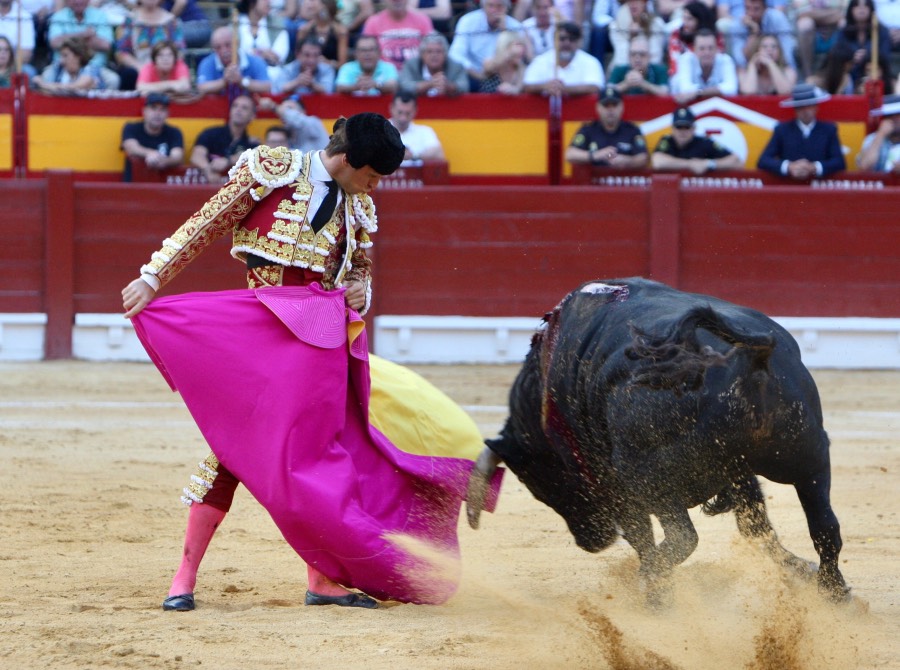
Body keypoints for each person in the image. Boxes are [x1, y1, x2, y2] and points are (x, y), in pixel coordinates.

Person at [121, 112, 499, 611]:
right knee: (230, 454)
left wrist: (362, 292)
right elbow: (206, 223)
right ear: (347, 159)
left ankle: (321, 582)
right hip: (260, 334)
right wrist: (153, 277)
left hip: (318, 345)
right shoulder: (273, 168)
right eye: (371, 175)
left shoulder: (359, 208)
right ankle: (183, 577)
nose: (373, 187)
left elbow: (359, 274)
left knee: (323, 454)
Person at [757, 83, 846, 179]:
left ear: (816, 107)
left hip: (819, 187)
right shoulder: (782, 130)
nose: (805, 111)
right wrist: (789, 167)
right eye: (800, 107)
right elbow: (763, 160)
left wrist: (814, 167)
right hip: (789, 186)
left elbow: (839, 162)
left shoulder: (829, 130)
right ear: (795, 109)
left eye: (809, 106)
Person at [565, 86, 649, 169]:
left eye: (614, 105)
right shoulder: (589, 129)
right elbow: (570, 154)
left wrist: (627, 161)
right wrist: (596, 155)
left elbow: (643, 157)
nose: (610, 110)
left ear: (622, 107)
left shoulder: (631, 130)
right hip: (593, 181)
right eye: (606, 105)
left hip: (623, 179)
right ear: (598, 108)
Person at [448, 0, 523, 90]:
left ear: (506, 8)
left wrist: (504, 32)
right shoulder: (468, 21)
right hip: (473, 74)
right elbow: (455, 54)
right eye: (491, 6)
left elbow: (517, 57)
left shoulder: (515, 26)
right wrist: (477, 74)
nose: (494, 10)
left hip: (502, 76)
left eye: (499, 6)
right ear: (483, 7)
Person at [114, 0, 185, 91]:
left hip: (166, 67)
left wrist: (164, 66)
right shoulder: (129, 21)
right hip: (138, 66)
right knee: (129, 74)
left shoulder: (172, 21)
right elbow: (122, 52)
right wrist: (141, 68)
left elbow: (180, 51)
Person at [190, 94, 260, 183]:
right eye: (235, 106)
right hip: (204, 187)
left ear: (252, 116)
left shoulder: (252, 143)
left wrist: (228, 161)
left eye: (244, 108)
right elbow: (196, 156)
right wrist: (208, 170)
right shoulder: (210, 133)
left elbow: (254, 156)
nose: (238, 110)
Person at [651, 106, 743, 173]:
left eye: (686, 127)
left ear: (694, 129)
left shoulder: (704, 142)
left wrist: (709, 164)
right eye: (679, 127)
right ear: (673, 129)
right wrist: (690, 164)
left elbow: (737, 162)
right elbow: (657, 162)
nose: (682, 132)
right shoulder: (667, 140)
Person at [522, 21, 604, 96]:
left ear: (579, 42)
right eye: (562, 39)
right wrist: (544, 86)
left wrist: (564, 89)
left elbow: (595, 87)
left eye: (572, 39)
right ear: (554, 40)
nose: (567, 43)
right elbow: (527, 85)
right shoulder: (540, 61)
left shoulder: (591, 62)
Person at [120, 92, 185, 181]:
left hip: (164, 190)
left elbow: (178, 157)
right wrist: (150, 153)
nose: (158, 113)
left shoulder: (174, 132)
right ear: (144, 111)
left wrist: (164, 161)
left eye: (162, 109)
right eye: (153, 108)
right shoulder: (131, 128)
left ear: (168, 113)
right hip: (133, 187)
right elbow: (131, 148)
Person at [722, 0, 796, 73]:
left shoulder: (777, 18)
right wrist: (754, 32)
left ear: (765, 9)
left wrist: (768, 61)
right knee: (741, 72)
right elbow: (740, 61)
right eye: (747, 8)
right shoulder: (737, 25)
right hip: (751, 71)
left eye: (756, 9)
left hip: (777, 67)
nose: (751, 13)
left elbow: (787, 56)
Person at [196, 26, 271, 96]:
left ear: (237, 43)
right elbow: (201, 88)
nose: (224, 51)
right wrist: (224, 81)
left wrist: (241, 81)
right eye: (218, 47)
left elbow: (266, 86)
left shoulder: (255, 61)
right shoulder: (207, 63)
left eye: (228, 45)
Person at [361, 0, 433, 70]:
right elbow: (366, 52)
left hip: (416, 74)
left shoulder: (423, 20)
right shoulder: (372, 22)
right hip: (384, 76)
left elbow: (431, 52)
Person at [836, 0, 892, 89]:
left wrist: (867, 56)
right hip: (849, 74)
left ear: (871, 9)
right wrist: (852, 58)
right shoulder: (844, 31)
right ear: (851, 9)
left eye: (865, 5)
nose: (861, 9)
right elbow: (837, 55)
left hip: (873, 76)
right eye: (857, 5)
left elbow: (885, 56)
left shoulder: (881, 31)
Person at [671, 28, 738, 103]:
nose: (707, 53)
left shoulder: (725, 60)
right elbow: (685, 89)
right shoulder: (686, 59)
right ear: (694, 50)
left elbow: (731, 89)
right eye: (702, 49)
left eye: (711, 48)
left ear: (717, 49)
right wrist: (715, 91)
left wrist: (699, 93)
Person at [47, 0, 114, 70]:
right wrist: (84, 35)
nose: (78, 1)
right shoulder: (59, 16)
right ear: (67, 1)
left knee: (113, 79)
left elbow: (106, 45)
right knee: (46, 76)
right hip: (62, 67)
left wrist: (68, 41)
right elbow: (54, 43)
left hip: (95, 66)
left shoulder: (100, 16)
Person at [399, 31, 468, 97]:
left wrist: (448, 86)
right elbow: (404, 87)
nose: (434, 55)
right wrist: (430, 84)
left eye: (438, 51)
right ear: (422, 54)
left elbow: (464, 87)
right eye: (429, 51)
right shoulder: (411, 65)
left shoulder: (456, 67)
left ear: (445, 55)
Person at [236, 0, 291, 82]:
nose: (269, 2)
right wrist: (262, 53)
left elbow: (277, 57)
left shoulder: (278, 24)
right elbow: (234, 55)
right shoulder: (235, 24)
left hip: (272, 75)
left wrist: (252, 53)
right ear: (251, 2)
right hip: (242, 74)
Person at [31, 35, 104, 94]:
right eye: (61, 56)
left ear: (78, 56)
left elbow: (77, 86)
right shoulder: (58, 68)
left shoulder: (90, 68)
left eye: (65, 56)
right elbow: (40, 84)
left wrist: (45, 85)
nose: (61, 60)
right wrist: (43, 84)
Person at [258, 94, 330, 152]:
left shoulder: (313, 123)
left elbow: (299, 121)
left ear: (302, 112)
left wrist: (274, 106)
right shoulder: (286, 136)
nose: (282, 113)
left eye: (289, 109)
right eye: (282, 109)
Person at [667, 1, 720, 77]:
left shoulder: (714, 35)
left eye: (690, 19)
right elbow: (674, 63)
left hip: (710, 76)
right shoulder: (677, 34)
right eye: (684, 18)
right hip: (681, 76)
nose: (685, 23)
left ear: (700, 19)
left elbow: (716, 60)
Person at [794, 0, 844, 80]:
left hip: (833, 32)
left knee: (843, 23)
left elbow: (844, 13)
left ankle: (839, 78)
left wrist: (815, 15)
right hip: (814, 35)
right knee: (805, 24)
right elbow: (801, 13)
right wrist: (832, 16)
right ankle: (808, 76)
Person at [608, 0, 666, 68]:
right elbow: (621, 60)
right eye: (630, 1)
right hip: (625, 72)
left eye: (637, 1)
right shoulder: (615, 26)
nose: (633, 4)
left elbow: (655, 59)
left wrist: (641, 34)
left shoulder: (657, 24)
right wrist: (631, 37)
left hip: (649, 73)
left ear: (645, 2)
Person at [334, 34, 399, 95]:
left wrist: (376, 85)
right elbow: (339, 87)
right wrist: (357, 87)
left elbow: (394, 86)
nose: (367, 54)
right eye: (363, 50)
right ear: (355, 54)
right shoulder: (347, 68)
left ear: (379, 52)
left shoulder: (388, 67)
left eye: (371, 50)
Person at [388, 92, 445, 161]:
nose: (403, 118)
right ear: (391, 108)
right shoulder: (379, 130)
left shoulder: (425, 131)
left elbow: (439, 153)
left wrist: (414, 156)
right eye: (400, 112)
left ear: (415, 110)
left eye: (408, 113)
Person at [295, 0, 348, 70]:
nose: (310, 5)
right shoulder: (304, 30)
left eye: (313, 2)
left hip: (332, 72)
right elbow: (298, 57)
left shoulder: (340, 31)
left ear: (325, 7)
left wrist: (328, 62)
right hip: (307, 70)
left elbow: (343, 64)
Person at [478, 30, 532, 94]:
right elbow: (488, 69)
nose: (522, 49)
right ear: (505, 46)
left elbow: (520, 88)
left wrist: (513, 90)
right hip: (487, 103)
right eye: (517, 45)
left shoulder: (521, 68)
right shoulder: (490, 63)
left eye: (522, 45)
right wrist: (507, 55)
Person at [857, 94, 900, 172]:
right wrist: (880, 134)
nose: (894, 119)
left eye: (898, 115)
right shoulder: (873, 138)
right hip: (881, 183)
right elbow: (865, 166)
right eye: (889, 116)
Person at [0, 0, 35, 72]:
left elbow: (27, 53)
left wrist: (6, 67)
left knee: (28, 71)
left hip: (14, 65)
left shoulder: (24, 16)